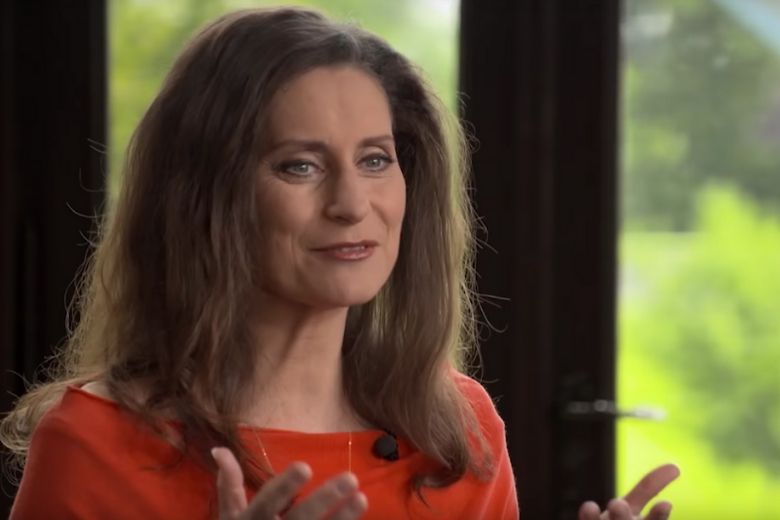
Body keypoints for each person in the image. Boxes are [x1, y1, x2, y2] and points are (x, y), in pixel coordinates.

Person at [0, 7, 678, 519]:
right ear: (205, 198)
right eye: (300, 166)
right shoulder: (94, 444)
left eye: (376, 160)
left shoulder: (456, 431)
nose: (352, 204)